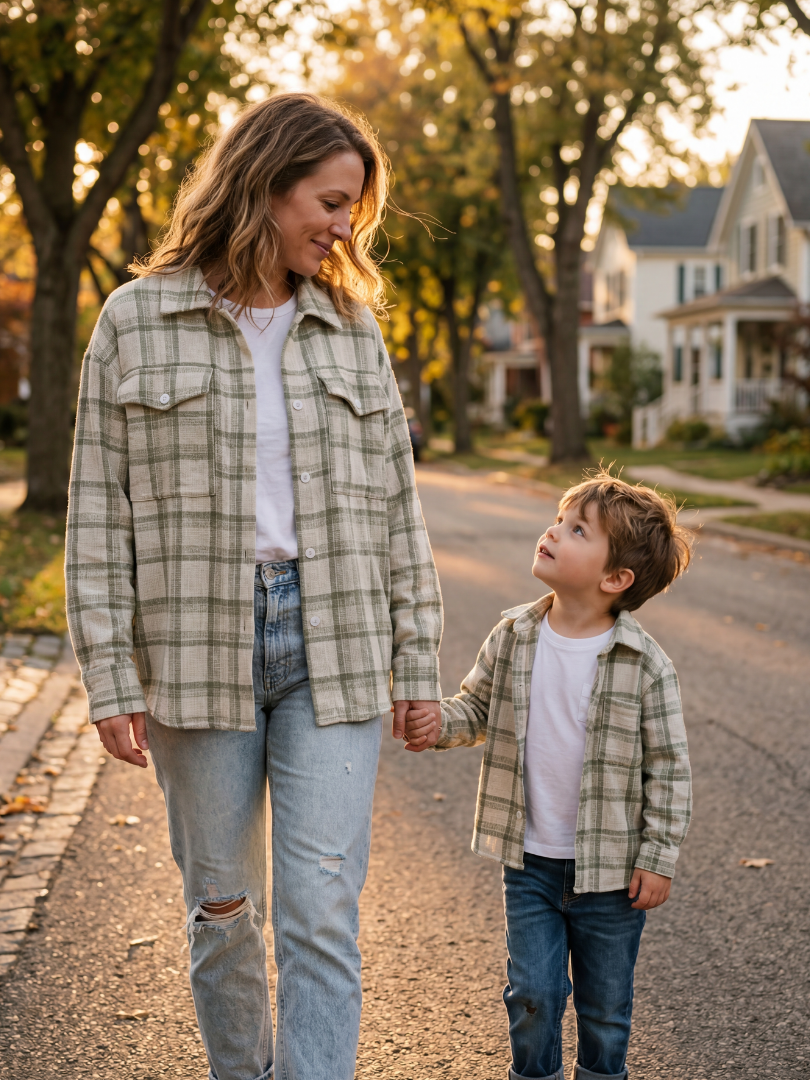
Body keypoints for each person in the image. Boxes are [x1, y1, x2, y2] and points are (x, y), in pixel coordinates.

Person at [65, 93, 443, 1080]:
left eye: (354, 208)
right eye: (331, 201)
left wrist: (418, 663)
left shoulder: (350, 329)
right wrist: (109, 674)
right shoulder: (136, 321)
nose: (345, 228)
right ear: (266, 186)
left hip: (335, 643)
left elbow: (396, 509)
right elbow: (98, 513)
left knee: (321, 909)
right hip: (196, 649)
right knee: (223, 907)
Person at [405, 471, 693, 1080]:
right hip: (530, 862)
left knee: (605, 1009)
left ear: (615, 579)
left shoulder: (646, 665)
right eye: (560, 520)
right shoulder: (514, 636)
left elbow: (669, 768)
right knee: (532, 993)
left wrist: (658, 856)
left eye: (578, 530)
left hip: (611, 875)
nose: (554, 531)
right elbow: (477, 708)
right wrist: (438, 723)